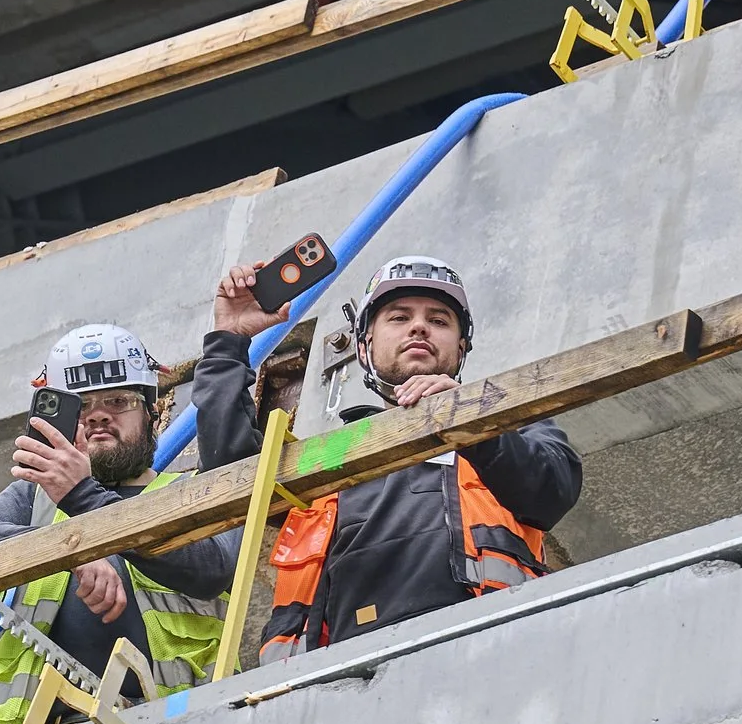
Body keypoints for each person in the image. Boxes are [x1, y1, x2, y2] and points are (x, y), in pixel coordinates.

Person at [196, 254, 580, 660]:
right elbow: (232, 474)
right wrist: (228, 340)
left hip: (489, 653)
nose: (419, 326)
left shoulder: (505, 426)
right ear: (364, 347)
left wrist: (465, 416)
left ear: (461, 347)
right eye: (398, 317)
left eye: (439, 320)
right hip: (337, 683)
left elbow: (552, 489)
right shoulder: (330, 456)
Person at [0, 323, 238, 724]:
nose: (98, 415)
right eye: (80, 406)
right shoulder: (34, 501)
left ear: (153, 412)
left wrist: (80, 495)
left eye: (118, 401)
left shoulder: (187, 491)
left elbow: (211, 569)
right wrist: (70, 551)